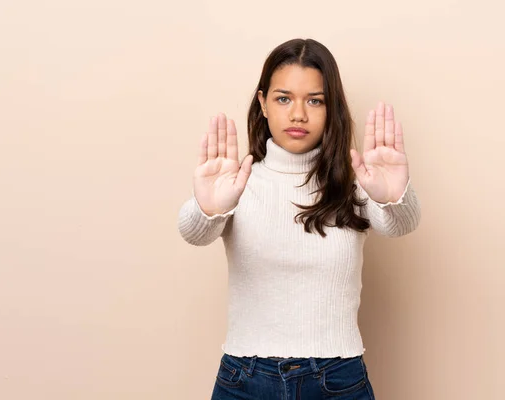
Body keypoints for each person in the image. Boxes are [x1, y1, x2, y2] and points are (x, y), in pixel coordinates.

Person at [177, 38, 421, 400]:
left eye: (315, 100)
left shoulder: (354, 182)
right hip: (245, 379)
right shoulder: (237, 181)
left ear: (331, 107)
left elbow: (401, 223)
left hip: (338, 379)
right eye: (283, 98)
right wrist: (210, 208)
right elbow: (193, 232)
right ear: (262, 103)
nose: (298, 115)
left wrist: (393, 195)